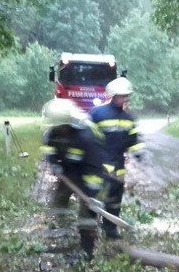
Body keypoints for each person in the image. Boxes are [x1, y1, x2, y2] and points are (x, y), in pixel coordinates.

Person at [41, 98, 108, 261]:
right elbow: (49, 149)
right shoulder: (52, 132)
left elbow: (95, 166)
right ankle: (62, 234)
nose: (58, 129)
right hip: (68, 171)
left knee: (87, 215)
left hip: (90, 171)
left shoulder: (86, 135)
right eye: (56, 126)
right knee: (59, 201)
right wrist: (54, 164)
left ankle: (87, 252)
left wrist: (91, 194)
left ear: (68, 122)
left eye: (61, 126)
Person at [90, 76, 144, 238]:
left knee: (114, 200)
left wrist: (138, 153)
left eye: (127, 96)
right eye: (122, 96)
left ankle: (110, 229)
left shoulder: (128, 118)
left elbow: (133, 140)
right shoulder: (97, 113)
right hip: (98, 165)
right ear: (113, 95)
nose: (125, 99)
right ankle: (89, 228)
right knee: (93, 197)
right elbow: (87, 138)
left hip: (118, 166)